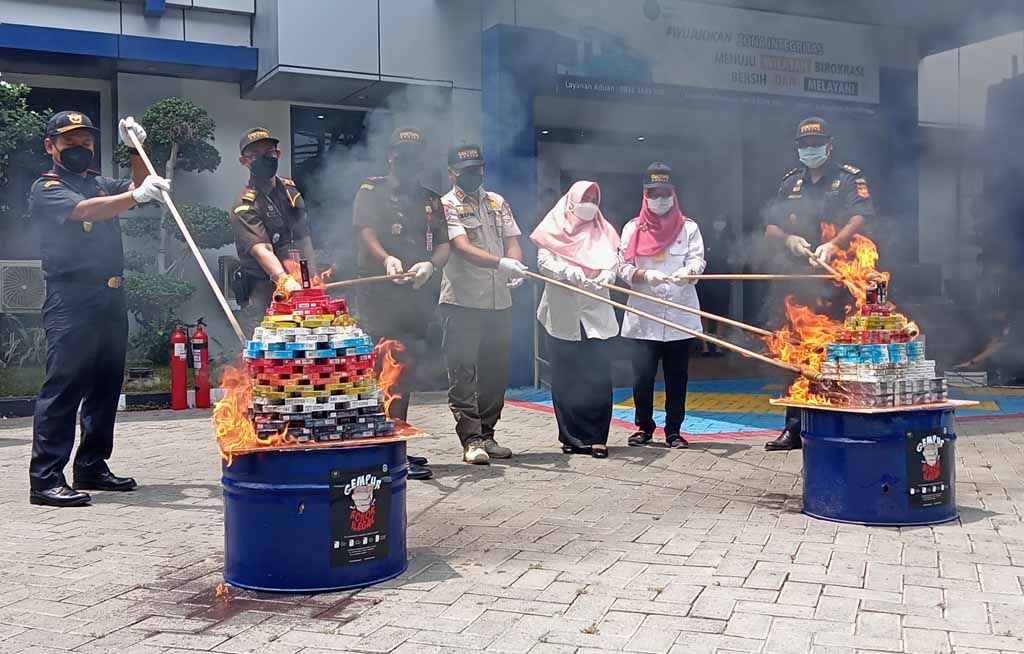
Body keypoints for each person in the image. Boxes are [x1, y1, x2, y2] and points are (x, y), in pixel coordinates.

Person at [28, 111, 171, 506]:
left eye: (85, 141)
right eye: (70, 141)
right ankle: (45, 479)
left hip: (110, 296)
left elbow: (139, 186)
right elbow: (87, 211)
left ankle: (91, 466)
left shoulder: (95, 181)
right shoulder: (47, 187)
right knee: (65, 386)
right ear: (51, 146)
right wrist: (136, 196)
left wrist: (135, 150)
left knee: (106, 386)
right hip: (71, 298)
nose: (79, 147)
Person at [761, 117, 874, 451]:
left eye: (816, 144)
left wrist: (834, 243)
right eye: (804, 145)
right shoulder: (789, 183)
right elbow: (771, 227)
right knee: (795, 349)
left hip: (837, 279)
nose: (810, 150)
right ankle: (793, 427)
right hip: (798, 282)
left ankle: (838, 422)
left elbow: (860, 216)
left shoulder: (848, 179)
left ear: (829, 145)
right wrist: (790, 239)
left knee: (838, 351)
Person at [353, 127, 451, 481]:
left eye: (416, 156)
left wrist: (431, 265)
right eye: (402, 155)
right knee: (382, 368)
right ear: (391, 156)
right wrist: (386, 260)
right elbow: (366, 232)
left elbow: (443, 244)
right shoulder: (371, 190)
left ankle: (395, 443)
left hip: (417, 295)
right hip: (381, 295)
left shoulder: (430, 199)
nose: (409, 162)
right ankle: (377, 447)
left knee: (405, 370)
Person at [439, 143, 528, 465]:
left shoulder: (496, 202)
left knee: (495, 373)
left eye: (477, 169)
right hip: (462, 301)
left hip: (498, 301)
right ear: (452, 173)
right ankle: (471, 439)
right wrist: (500, 264)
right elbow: (460, 246)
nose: (473, 175)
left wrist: (514, 266)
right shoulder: (445, 205)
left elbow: (512, 241)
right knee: (462, 372)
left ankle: (488, 434)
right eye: (466, 171)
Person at [619, 163, 705, 450]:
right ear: (645, 195)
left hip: (680, 313)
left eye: (665, 193)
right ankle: (643, 427)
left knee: (677, 377)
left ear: (673, 194)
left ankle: (674, 430)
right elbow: (622, 267)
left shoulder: (688, 227)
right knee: (642, 376)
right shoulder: (632, 228)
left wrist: (689, 273)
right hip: (644, 314)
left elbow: (697, 260)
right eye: (654, 194)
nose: (660, 199)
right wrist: (644, 276)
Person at [531, 181, 620, 458]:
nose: (590, 203)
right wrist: (566, 272)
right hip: (562, 314)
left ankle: (597, 437)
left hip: (596, 313)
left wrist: (607, 275)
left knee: (598, 377)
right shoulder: (552, 227)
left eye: (595, 198)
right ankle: (570, 436)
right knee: (566, 377)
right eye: (585, 198)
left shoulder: (604, 231)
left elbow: (615, 260)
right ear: (572, 201)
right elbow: (544, 262)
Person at [229, 128, 314, 335]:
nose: (265, 158)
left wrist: (311, 277)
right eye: (256, 155)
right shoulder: (244, 204)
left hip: (297, 282)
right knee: (268, 348)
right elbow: (263, 250)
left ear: (278, 154)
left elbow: (303, 237)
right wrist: (283, 280)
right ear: (244, 161)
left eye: (269, 152)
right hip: (264, 287)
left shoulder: (290, 189)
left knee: (305, 343)